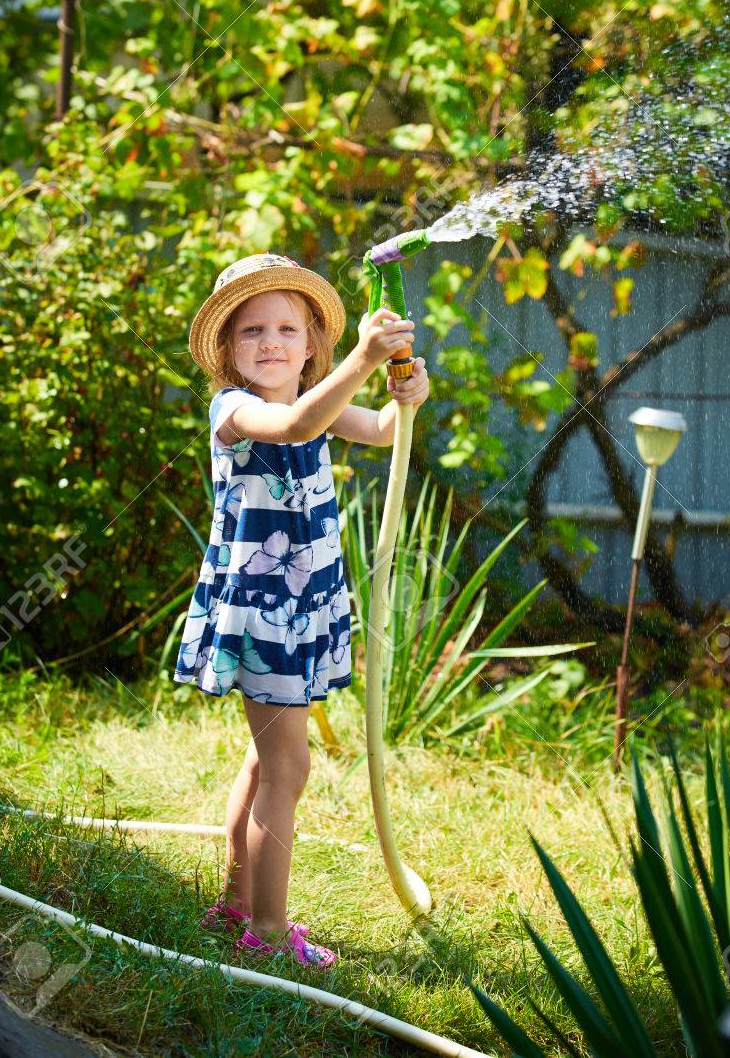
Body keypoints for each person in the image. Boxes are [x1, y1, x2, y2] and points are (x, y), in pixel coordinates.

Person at [175, 252, 429, 970]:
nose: (271, 343)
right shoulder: (236, 410)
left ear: (311, 342)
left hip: (299, 604)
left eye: (287, 329)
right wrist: (361, 359)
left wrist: (406, 392)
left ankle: (237, 904)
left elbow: (381, 429)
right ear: (226, 349)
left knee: (265, 761)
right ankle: (267, 930)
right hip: (265, 614)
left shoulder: (314, 401)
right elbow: (289, 427)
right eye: (252, 330)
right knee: (288, 769)